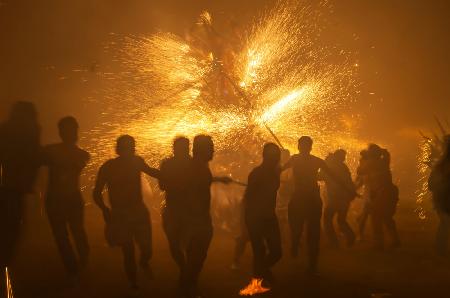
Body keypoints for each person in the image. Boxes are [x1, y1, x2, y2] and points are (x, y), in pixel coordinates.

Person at [93, 135, 160, 291]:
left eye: (131, 148)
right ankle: (133, 283)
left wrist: (171, 176)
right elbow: (96, 192)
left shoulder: (136, 162)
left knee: (147, 248)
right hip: (120, 215)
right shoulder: (108, 167)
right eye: (128, 148)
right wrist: (104, 209)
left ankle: (143, 262)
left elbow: (151, 171)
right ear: (119, 150)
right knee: (128, 250)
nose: (130, 151)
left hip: (137, 211)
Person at [283, 136, 354, 275]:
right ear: (310, 147)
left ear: (299, 147)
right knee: (311, 233)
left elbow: (277, 171)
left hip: (301, 199)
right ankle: (310, 263)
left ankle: (297, 246)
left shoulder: (295, 159)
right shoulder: (315, 161)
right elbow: (335, 177)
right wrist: (349, 190)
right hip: (311, 199)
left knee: (299, 229)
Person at [0, 101, 41, 297]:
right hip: (13, 192)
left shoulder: (5, 130)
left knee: (9, 232)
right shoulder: (31, 131)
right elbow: (33, 160)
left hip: (9, 190)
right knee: (12, 233)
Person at [41, 116, 90, 280]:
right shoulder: (81, 154)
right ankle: (75, 269)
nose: (72, 133)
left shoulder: (52, 151)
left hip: (64, 199)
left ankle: (79, 266)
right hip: (61, 199)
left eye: (73, 130)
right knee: (65, 235)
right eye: (69, 130)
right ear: (61, 132)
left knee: (73, 233)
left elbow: (71, 166)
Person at [183, 134, 230, 297]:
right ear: (202, 150)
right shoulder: (197, 167)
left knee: (195, 253)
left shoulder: (199, 165)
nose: (213, 150)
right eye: (210, 147)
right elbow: (192, 190)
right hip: (197, 219)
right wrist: (198, 219)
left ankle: (188, 283)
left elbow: (202, 181)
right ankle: (189, 286)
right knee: (197, 254)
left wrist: (218, 179)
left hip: (197, 218)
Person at [244, 143, 282, 285]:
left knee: (277, 252)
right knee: (259, 251)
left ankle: (262, 271)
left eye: (277, 156)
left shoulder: (275, 172)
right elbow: (249, 197)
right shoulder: (257, 174)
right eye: (274, 156)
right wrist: (247, 220)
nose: (276, 158)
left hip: (269, 217)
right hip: (256, 218)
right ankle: (258, 280)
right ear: (266, 157)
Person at [159, 136, 191, 290]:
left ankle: (187, 271)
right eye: (182, 148)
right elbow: (162, 185)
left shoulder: (194, 164)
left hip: (188, 211)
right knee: (174, 243)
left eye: (186, 148)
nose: (185, 150)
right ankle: (184, 269)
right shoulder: (167, 164)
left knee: (186, 244)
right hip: (173, 210)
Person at [357, 144, 400, 250]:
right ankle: (394, 240)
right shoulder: (384, 161)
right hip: (389, 193)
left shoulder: (371, 163)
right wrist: (380, 151)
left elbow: (360, 171)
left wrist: (363, 159)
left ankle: (378, 243)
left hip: (380, 193)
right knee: (387, 218)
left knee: (376, 219)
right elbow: (386, 153)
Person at [322, 149, 356, 248]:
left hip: (335, 198)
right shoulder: (343, 167)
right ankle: (350, 236)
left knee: (327, 219)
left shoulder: (330, 167)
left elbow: (318, 177)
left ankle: (333, 243)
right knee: (341, 220)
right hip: (345, 199)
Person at [428, 135, 450, 256]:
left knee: (445, 223)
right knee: (445, 223)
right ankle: (440, 250)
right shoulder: (442, 165)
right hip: (443, 199)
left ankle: (440, 249)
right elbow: (432, 184)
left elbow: (431, 184)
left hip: (442, 198)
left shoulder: (440, 164)